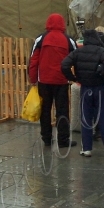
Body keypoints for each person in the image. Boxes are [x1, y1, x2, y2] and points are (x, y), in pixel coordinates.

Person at [61, 30, 104, 159]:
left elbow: (64, 64)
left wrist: (74, 78)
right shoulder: (101, 51)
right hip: (99, 88)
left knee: (86, 118)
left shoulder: (78, 52)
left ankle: (86, 148)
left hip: (85, 88)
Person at [29, 14, 78, 149]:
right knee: (62, 111)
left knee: (45, 110)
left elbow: (33, 60)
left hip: (44, 81)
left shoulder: (41, 38)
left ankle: (46, 138)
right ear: (62, 24)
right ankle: (63, 140)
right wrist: (76, 77)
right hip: (61, 81)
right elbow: (77, 58)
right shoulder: (68, 40)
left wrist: (33, 79)